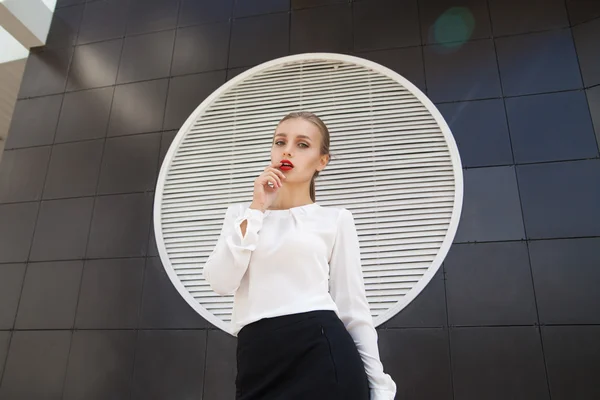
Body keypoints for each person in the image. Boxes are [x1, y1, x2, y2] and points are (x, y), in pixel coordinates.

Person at [203, 111, 397, 400]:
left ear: (322, 161)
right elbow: (220, 282)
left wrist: (379, 386)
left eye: (302, 144)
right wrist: (257, 209)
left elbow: (353, 308)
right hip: (257, 358)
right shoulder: (242, 215)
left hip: (321, 352)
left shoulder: (335, 219)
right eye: (280, 142)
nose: (288, 150)